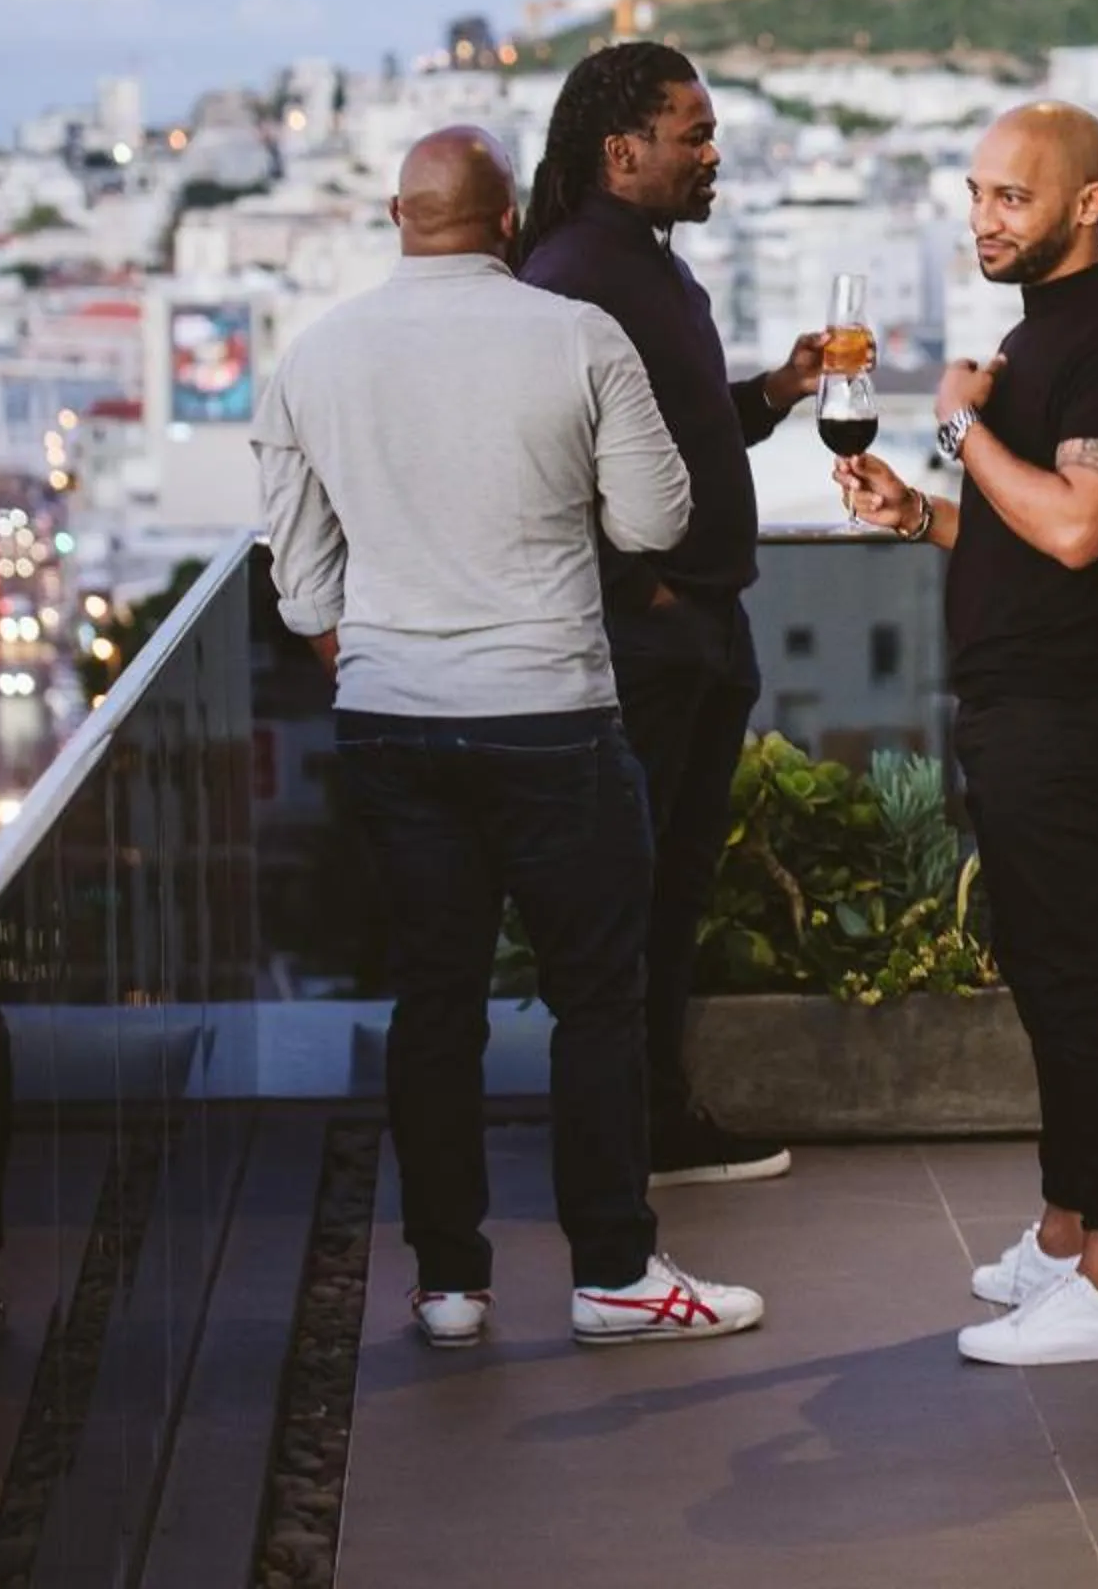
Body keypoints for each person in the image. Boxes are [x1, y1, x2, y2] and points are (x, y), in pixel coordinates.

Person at [256, 126, 762, 1350]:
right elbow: (656, 518)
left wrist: (386, 646)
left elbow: (304, 589)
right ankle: (612, 1271)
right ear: (508, 225)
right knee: (598, 997)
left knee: (436, 999)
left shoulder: (311, 358)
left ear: (398, 216)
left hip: (392, 717)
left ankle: (448, 1282)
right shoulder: (577, 337)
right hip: (552, 713)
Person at [835, 101, 1098, 1366]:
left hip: (1064, 703)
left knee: (1079, 981)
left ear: (1087, 203)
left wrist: (955, 424)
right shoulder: (1040, 337)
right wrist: (921, 513)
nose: (985, 219)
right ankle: (1065, 1231)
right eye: (977, 193)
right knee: (1045, 972)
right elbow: (1026, 529)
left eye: (1013, 197)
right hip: (1019, 692)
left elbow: (1082, 526)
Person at [519, 43, 823, 1189]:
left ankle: (655, 1114)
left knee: (674, 881)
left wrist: (776, 391)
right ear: (621, 150)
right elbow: (544, 464)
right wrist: (635, 590)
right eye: (693, 134)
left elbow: (684, 432)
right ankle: (627, 1130)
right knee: (632, 890)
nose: (712, 154)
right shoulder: (571, 275)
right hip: (651, 636)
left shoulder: (644, 264)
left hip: (696, 625)